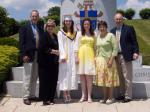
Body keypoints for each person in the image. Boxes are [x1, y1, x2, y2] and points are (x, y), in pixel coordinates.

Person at [110, 12, 139, 103]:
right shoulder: (112, 31)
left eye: (120, 19)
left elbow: (134, 41)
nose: (118, 20)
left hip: (125, 55)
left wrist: (136, 52)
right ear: (114, 20)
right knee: (120, 77)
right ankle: (122, 94)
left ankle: (128, 96)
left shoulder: (129, 29)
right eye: (116, 19)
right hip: (116, 56)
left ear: (122, 19)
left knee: (127, 76)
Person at [19, 10, 44, 105]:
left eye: (36, 16)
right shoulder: (24, 27)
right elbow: (21, 43)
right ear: (30, 17)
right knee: (27, 77)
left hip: (38, 55)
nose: (34, 18)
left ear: (38, 17)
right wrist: (23, 55)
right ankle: (25, 97)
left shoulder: (40, 28)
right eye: (33, 16)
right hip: (28, 55)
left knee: (34, 77)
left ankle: (32, 96)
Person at [95, 21, 119, 104]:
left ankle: (111, 98)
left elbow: (115, 49)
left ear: (106, 27)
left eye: (103, 27)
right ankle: (104, 98)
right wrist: (96, 58)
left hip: (109, 61)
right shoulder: (98, 36)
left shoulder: (111, 36)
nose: (102, 28)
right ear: (98, 28)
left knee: (110, 80)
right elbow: (98, 49)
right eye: (100, 27)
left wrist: (111, 60)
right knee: (103, 80)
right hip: (100, 61)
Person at [38, 19, 59, 105]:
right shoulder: (43, 36)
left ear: (54, 27)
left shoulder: (55, 36)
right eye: (48, 26)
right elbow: (43, 48)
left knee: (53, 80)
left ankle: (51, 98)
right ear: (46, 27)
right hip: (45, 63)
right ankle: (45, 99)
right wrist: (54, 51)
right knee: (45, 81)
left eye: (52, 26)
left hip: (53, 62)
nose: (50, 27)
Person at [57, 16, 78, 103]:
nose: (68, 22)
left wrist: (76, 55)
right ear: (64, 22)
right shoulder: (60, 32)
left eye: (69, 21)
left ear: (71, 22)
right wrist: (62, 56)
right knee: (64, 75)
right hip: (64, 57)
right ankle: (64, 94)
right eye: (66, 21)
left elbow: (76, 44)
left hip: (72, 56)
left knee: (70, 74)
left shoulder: (74, 32)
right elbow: (60, 44)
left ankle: (68, 92)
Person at [75, 18, 96, 103]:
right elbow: (77, 46)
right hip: (81, 56)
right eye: (84, 24)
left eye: (88, 24)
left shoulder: (94, 34)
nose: (86, 26)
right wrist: (76, 57)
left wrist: (95, 57)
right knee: (82, 77)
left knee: (89, 77)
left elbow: (95, 47)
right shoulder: (79, 33)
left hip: (90, 56)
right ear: (82, 25)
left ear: (90, 25)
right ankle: (83, 95)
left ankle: (89, 96)